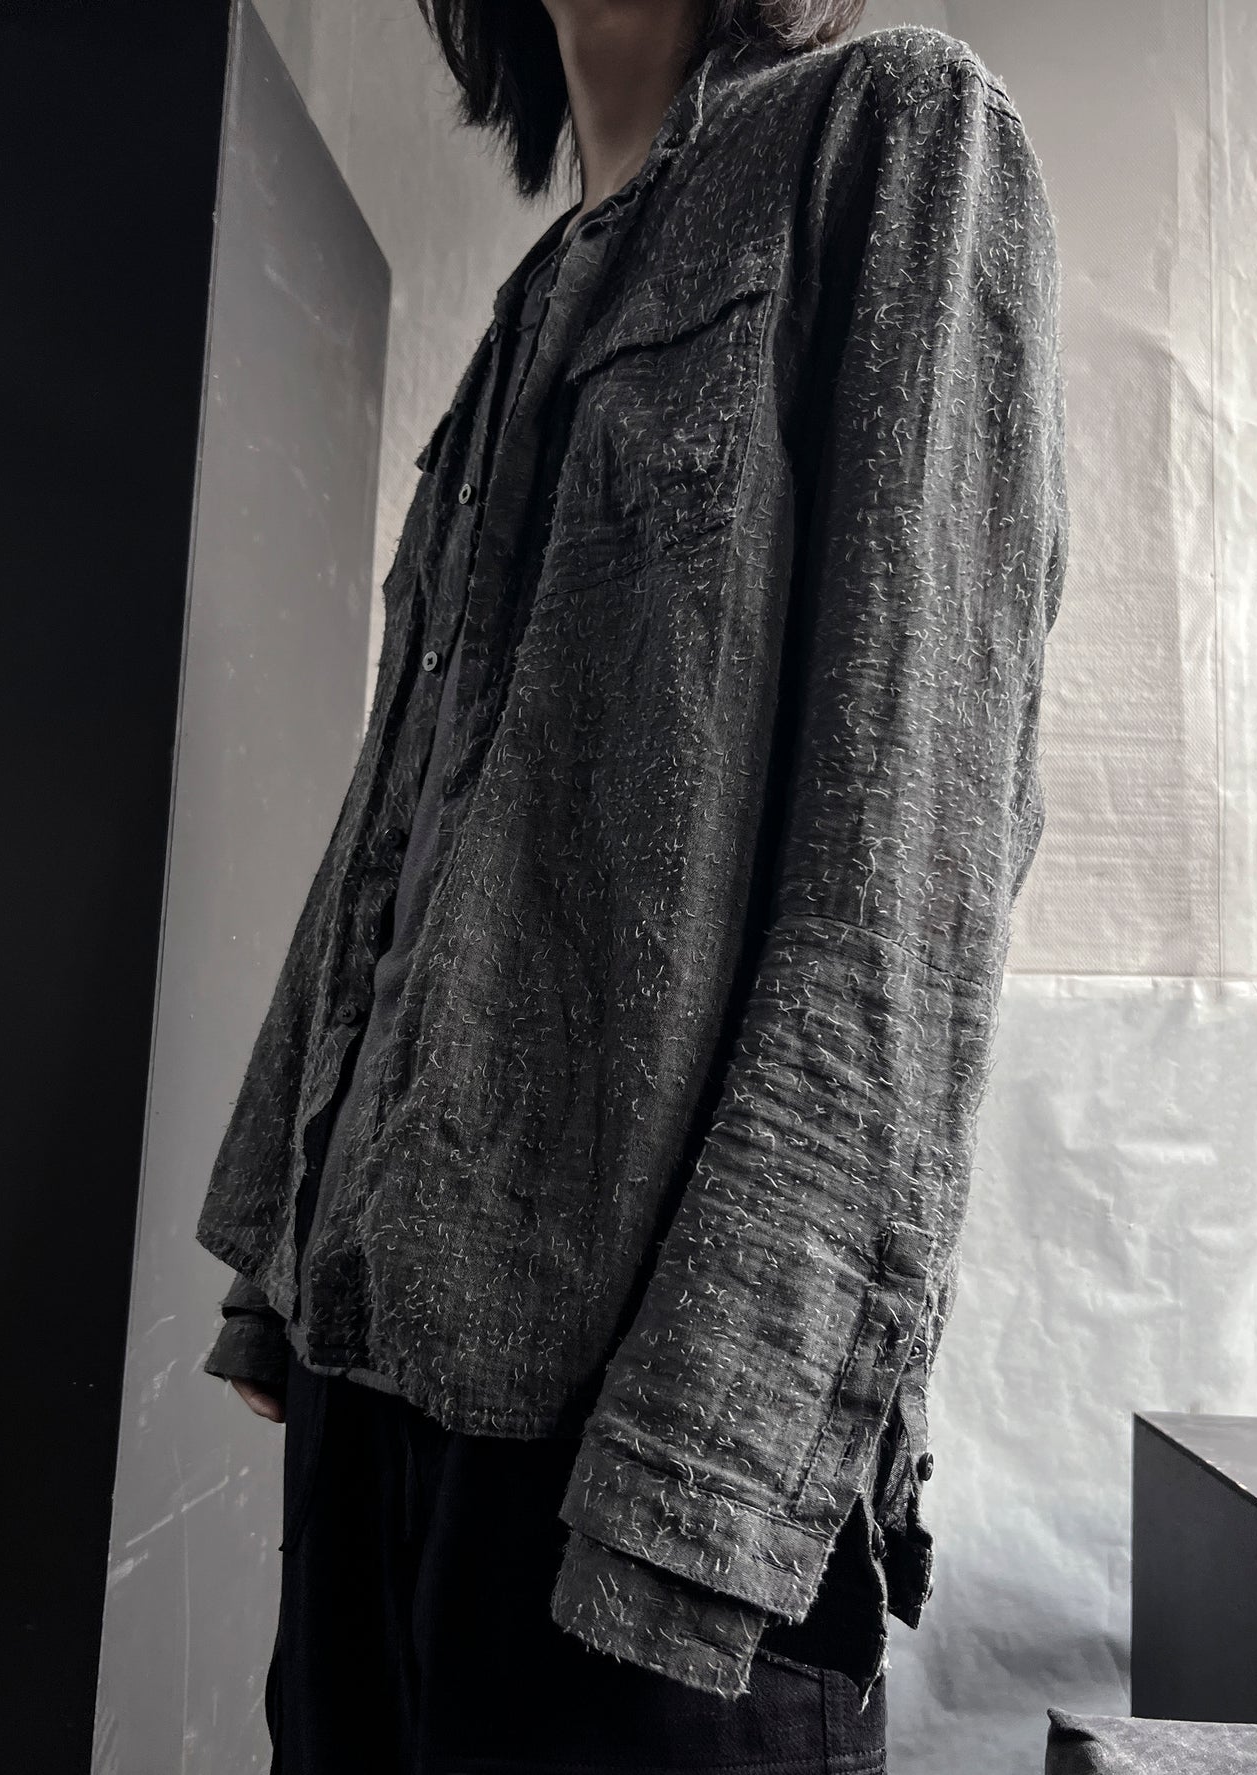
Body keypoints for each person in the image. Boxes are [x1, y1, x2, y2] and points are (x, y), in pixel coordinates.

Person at [197, 0, 1068, 1768]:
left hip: (642, 1476)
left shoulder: (891, 131)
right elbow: (404, 821)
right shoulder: (530, 303)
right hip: (376, 1406)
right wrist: (279, 1281)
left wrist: (706, 1478)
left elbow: (900, 879)